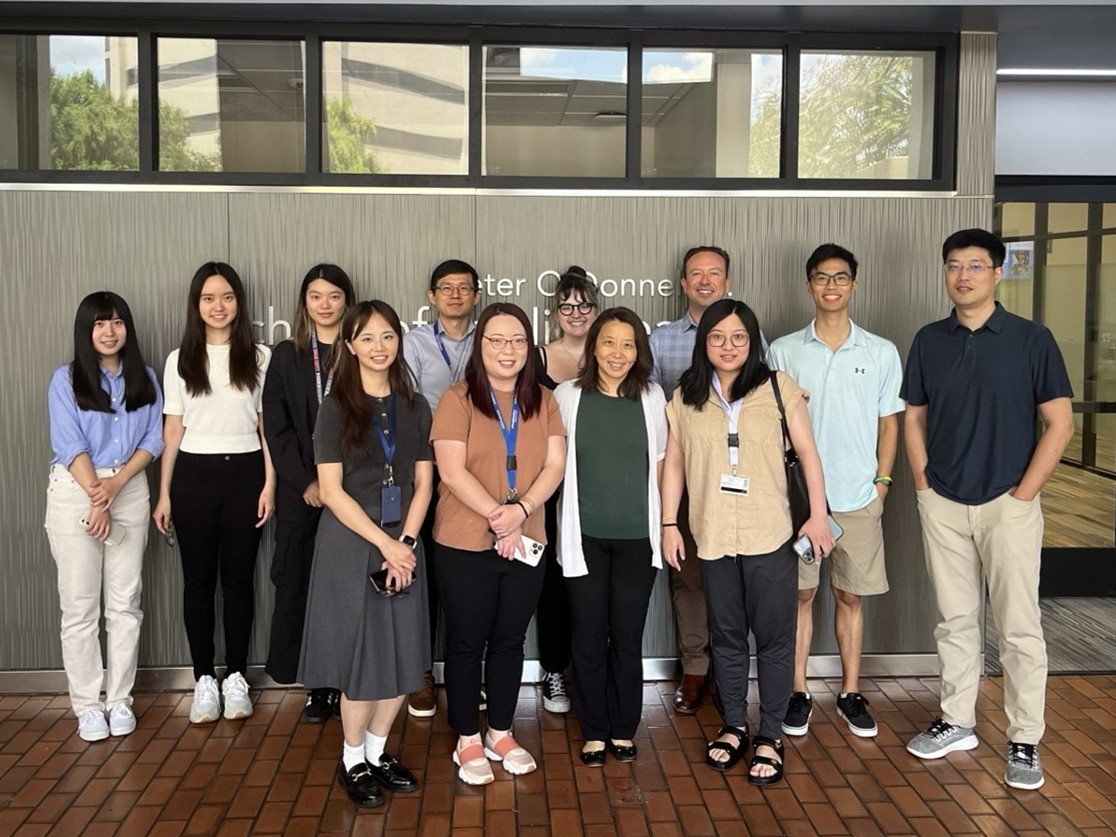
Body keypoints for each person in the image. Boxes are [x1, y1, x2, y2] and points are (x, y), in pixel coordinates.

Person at [901, 228, 1073, 791]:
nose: (963, 275)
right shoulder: (929, 340)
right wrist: (923, 483)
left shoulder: (1031, 339)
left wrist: (1024, 493)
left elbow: (1060, 422)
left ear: (998, 274)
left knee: (1021, 628)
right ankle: (958, 721)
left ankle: (1024, 739)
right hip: (944, 501)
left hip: (1009, 502)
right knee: (955, 620)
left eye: (976, 266)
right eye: (954, 265)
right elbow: (914, 416)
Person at [661, 299, 834, 784]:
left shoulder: (779, 389)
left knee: (776, 640)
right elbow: (674, 462)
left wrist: (818, 516)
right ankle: (735, 725)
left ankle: (771, 735)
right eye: (717, 337)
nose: (728, 345)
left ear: (753, 341)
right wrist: (668, 524)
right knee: (729, 638)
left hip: (769, 535)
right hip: (713, 537)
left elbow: (808, 453)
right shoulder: (686, 396)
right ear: (704, 342)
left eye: (739, 336)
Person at [299, 301, 433, 807]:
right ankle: (351, 757)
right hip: (353, 544)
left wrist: (407, 544)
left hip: (404, 542)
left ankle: (378, 752)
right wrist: (385, 545)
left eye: (388, 337)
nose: (380, 347)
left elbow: (424, 482)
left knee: (402, 654)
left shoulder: (416, 406)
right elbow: (330, 491)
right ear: (350, 345)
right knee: (363, 658)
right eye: (368, 338)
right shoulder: (336, 407)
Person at [767, 243, 904, 740]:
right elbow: (772, 424)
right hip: (800, 502)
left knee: (849, 596)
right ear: (808, 285)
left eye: (840, 277)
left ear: (854, 284)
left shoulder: (880, 351)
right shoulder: (782, 350)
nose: (831, 286)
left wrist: (882, 486)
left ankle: (849, 692)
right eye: (821, 278)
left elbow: (890, 425)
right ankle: (798, 690)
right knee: (799, 595)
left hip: (858, 496)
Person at [431, 302, 566, 786]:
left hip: (527, 537)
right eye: (496, 340)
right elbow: (451, 470)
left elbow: (555, 466)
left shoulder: (544, 401)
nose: (508, 350)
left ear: (529, 348)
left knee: (510, 641)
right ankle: (467, 737)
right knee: (467, 642)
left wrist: (521, 512)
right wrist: (499, 516)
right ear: (480, 346)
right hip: (465, 541)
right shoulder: (458, 398)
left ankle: (500, 732)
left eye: (517, 342)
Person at [154, 262, 275, 724]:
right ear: (196, 305)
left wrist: (270, 485)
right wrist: (164, 494)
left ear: (238, 302)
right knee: (199, 584)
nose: (218, 306)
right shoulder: (179, 358)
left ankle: (237, 677)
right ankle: (204, 678)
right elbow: (172, 431)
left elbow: (267, 431)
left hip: (246, 475)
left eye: (226, 297)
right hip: (192, 477)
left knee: (240, 583)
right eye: (208, 298)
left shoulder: (259, 357)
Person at [554, 307, 670, 766]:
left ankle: (623, 727)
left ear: (638, 350)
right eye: (608, 342)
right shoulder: (566, 397)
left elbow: (661, 466)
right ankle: (594, 729)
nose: (617, 353)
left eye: (627, 344)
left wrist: (668, 525)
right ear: (593, 347)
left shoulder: (654, 397)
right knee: (587, 634)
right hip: (583, 536)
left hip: (638, 540)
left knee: (626, 635)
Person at [45, 292, 164, 742]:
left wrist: (114, 489)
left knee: (124, 603)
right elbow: (68, 443)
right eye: (99, 324)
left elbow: (154, 438)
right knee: (79, 606)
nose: (109, 332)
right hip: (77, 491)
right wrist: (98, 498)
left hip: (129, 489)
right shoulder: (66, 379)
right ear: (86, 330)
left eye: (116, 323)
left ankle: (119, 699)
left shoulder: (146, 378)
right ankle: (87, 705)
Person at [263, 264, 355, 722]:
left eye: (334, 295)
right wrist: (308, 481)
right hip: (301, 495)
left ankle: (345, 679)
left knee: (345, 589)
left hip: (352, 495)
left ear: (346, 301)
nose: (325, 304)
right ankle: (317, 685)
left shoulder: (360, 352)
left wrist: (340, 485)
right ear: (305, 303)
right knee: (298, 586)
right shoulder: (287, 355)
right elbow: (275, 428)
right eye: (316, 296)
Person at [649, 245, 731, 714]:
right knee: (689, 580)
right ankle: (696, 670)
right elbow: (657, 419)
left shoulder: (744, 334)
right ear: (683, 283)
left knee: (734, 580)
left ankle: (730, 668)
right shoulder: (661, 341)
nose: (704, 280)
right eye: (695, 274)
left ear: (726, 281)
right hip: (681, 480)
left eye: (713, 273)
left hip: (736, 484)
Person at [401, 258, 480, 718]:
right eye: (445, 289)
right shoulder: (412, 344)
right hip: (426, 472)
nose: (454, 295)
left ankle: (464, 672)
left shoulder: (489, 338)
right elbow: (409, 405)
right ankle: (422, 674)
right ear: (431, 296)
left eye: (463, 288)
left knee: (465, 578)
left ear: (475, 294)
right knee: (423, 576)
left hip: (478, 476)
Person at [535, 266, 600, 715]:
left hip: (599, 486)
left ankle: (591, 670)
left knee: (595, 582)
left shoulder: (612, 354)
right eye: (567, 306)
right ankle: (554, 669)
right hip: (551, 486)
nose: (575, 313)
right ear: (555, 312)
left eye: (584, 305)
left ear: (596, 310)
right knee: (554, 581)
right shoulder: (537, 358)